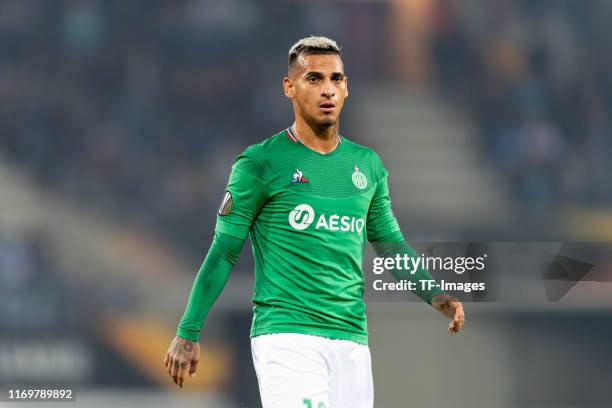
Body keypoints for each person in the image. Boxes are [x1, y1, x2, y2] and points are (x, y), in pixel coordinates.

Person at [164, 35, 465, 407]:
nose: (327, 90)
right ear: (289, 87)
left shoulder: (367, 166)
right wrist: (188, 331)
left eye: (336, 79)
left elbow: (390, 244)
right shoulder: (260, 163)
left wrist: (434, 293)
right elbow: (224, 252)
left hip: (352, 341)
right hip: (288, 339)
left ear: (347, 87)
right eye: (314, 79)